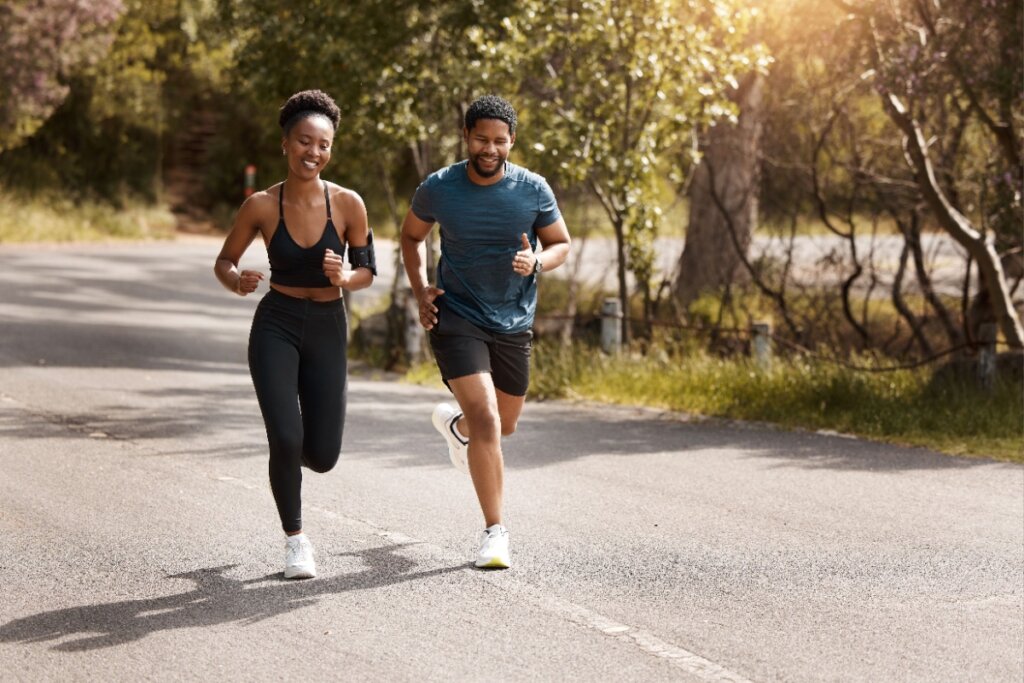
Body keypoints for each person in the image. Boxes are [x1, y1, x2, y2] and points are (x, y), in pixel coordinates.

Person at [400, 95, 571, 569]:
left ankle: (459, 430)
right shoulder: (439, 187)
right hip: (456, 317)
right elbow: (412, 236)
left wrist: (537, 260)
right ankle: (495, 533)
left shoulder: (533, 189)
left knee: (504, 425)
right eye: (481, 139)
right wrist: (420, 290)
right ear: (466, 137)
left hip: (513, 320)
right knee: (489, 421)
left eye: (500, 141)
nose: (490, 148)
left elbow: (560, 244)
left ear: (511, 141)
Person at [214, 89, 376, 579]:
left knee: (321, 455)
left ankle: (290, 457)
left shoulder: (348, 204)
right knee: (285, 437)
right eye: (304, 141)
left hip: (328, 325)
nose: (314, 152)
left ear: (331, 149)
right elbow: (224, 260)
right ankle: (296, 541)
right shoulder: (261, 206)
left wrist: (345, 278)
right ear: (286, 144)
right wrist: (235, 280)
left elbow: (368, 269)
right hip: (277, 324)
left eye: (323, 144)